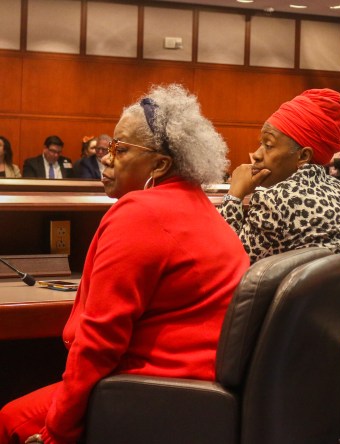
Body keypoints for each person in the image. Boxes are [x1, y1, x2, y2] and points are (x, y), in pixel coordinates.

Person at [0, 84, 250, 444]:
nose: (106, 158)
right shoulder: (199, 206)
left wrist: (56, 434)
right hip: (200, 396)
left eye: (121, 149)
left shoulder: (142, 212)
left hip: (150, 393)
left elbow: (99, 343)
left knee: (10, 420)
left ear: (160, 165)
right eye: (108, 147)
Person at [219, 88, 340, 346]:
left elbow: (225, 265)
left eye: (268, 145)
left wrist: (234, 196)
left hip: (331, 346)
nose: (257, 154)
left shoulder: (274, 199)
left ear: (303, 156)